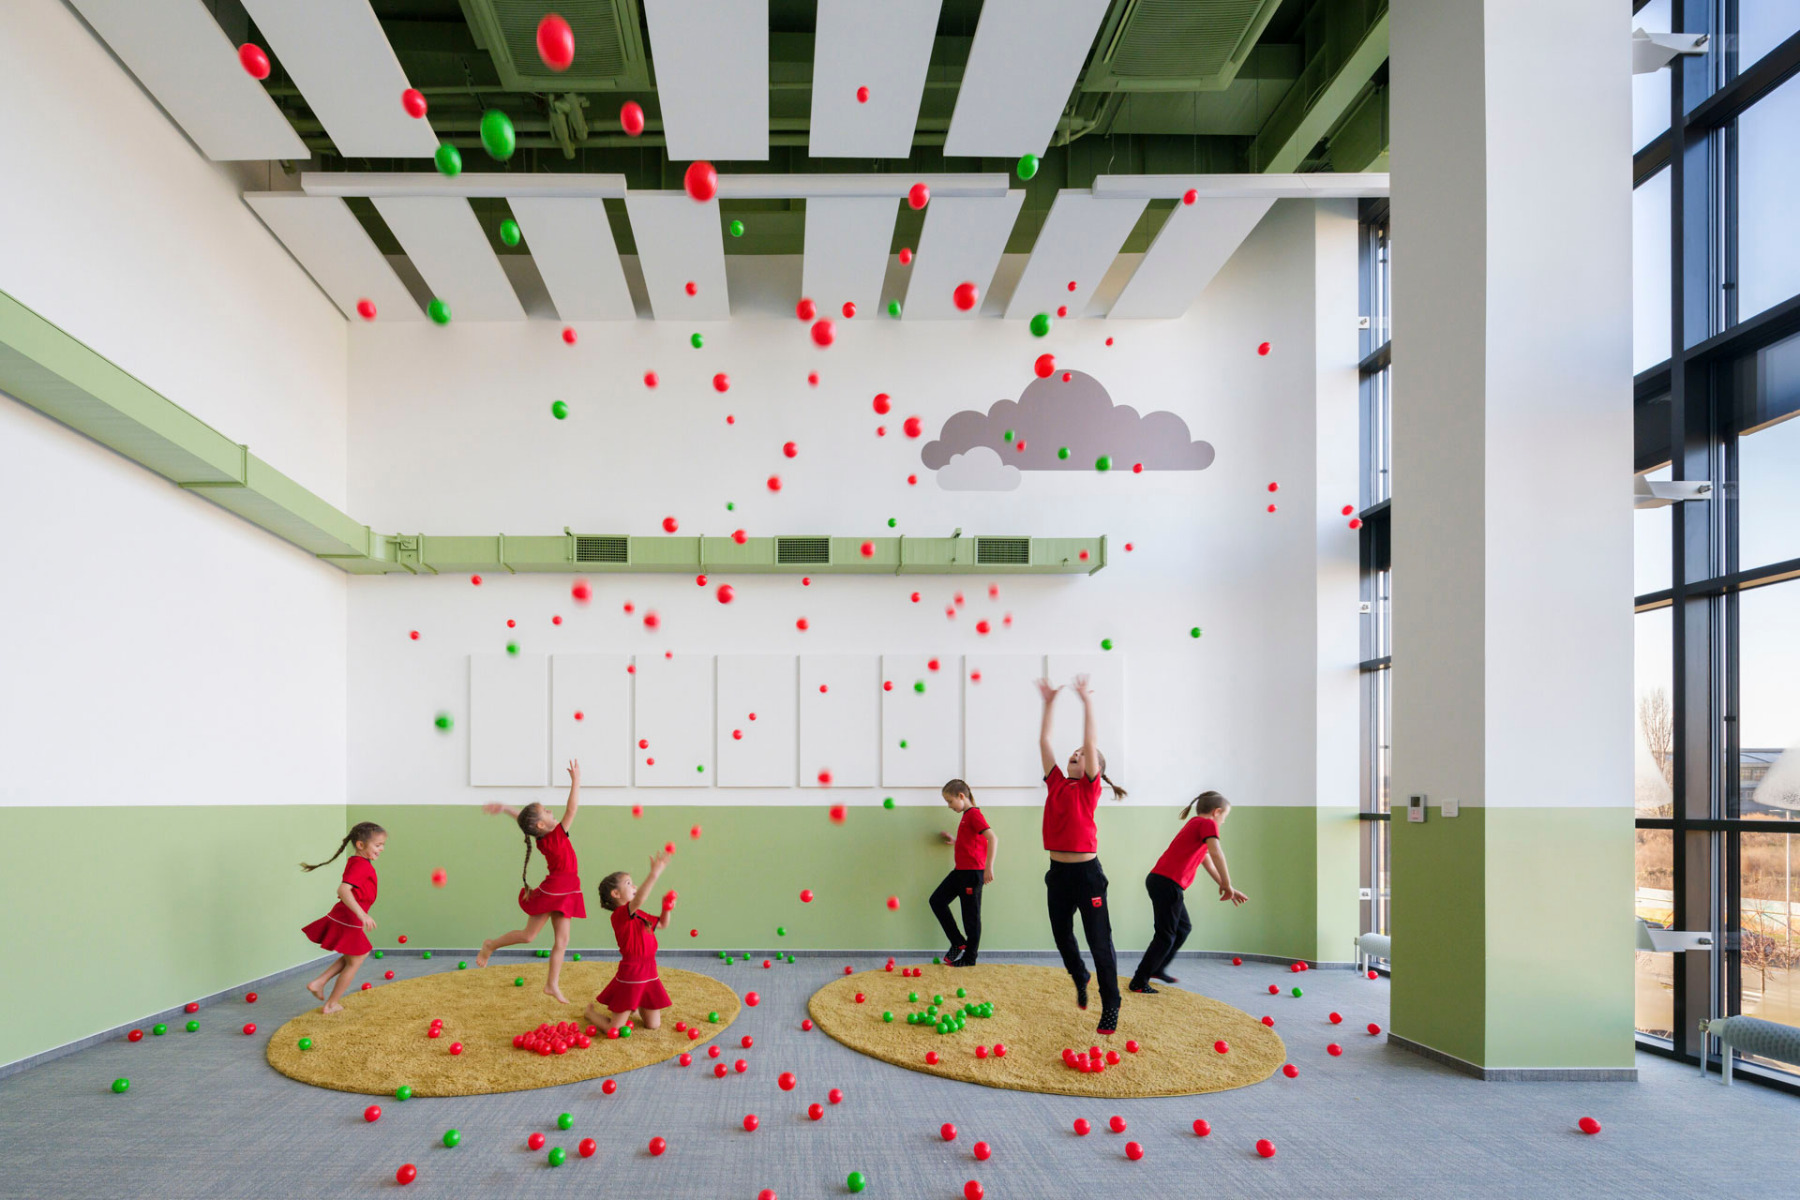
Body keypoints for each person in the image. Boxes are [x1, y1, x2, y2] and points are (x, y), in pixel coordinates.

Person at [1036, 675, 1128, 1034]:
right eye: (1072, 755)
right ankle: (1079, 975)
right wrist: (1049, 703)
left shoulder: (1089, 790)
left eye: (1081, 756)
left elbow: (1091, 742)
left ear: (1094, 769)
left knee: (1099, 943)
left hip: (1087, 875)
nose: (1074, 756)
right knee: (1062, 936)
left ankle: (1111, 1004)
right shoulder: (1057, 783)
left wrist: (1087, 702)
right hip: (1057, 874)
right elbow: (1044, 740)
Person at [474, 760, 585, 1003]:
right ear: (541, 825)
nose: (552, 812)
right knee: (528, 936)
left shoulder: (543, 835)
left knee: (562, 941)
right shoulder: (554, 836)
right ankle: (491, 945)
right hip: (555, 891)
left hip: (566, 891)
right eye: (547, 811)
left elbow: (527, 822)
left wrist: (506, 808)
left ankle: (551, 985)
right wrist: (576, 781)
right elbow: (572, 809)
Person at [1129, 791, 1248, 993]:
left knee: (1183, 928)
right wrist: (1228, 883)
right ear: (1216, 811)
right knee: (1165, 935)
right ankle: (1139, 981)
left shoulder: (1195, 824)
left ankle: (1157, 968)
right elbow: (1216, 852)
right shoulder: (1207, 824)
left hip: (1163, 882)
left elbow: (1206, 860)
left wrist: (1225, 885)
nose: (1223, 822)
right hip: (1167, 883)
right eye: (1224, 817)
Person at [299, 821, 386, 1014]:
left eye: (382, 845)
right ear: (360, 845)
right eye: (377, 845)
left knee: (354, 955)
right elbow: (343, 890)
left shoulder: (359, 862)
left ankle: (319, 982)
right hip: (348, 917)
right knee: (357, 958)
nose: (381, 849)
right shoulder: (361, 865)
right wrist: (362, 914)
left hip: (347, 916)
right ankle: (331, 1004)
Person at [586, 850, 675, 1035]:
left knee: (653, 1025)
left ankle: (637, 1003)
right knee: (614, 1030)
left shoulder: (640, 914)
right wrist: (654, 874)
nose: (634, 886)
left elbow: (664, 924)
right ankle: (590, 1013)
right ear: (616, 893)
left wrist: (666, 907)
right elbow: (641, 897)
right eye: (629, 883)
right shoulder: (620, 916)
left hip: (650, 970)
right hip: (632, 973)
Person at [932, 779, 996, 967]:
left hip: (972, 873)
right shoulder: (967, 816)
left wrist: (988, 867)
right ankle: (958, 942)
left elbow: (992, 838)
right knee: (936, 901)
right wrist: (955, 840)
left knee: (971, 918)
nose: (949, 806)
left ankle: (970, 958)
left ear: (961, 796)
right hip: (960, 872)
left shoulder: (974, 814)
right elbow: (973, 841)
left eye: (950, 801)